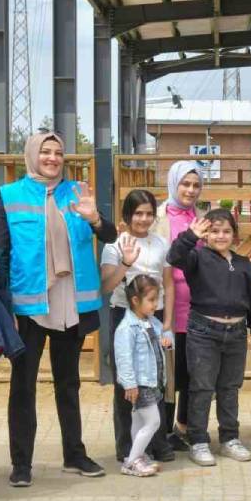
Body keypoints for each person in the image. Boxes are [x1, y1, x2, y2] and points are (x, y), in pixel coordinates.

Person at [0, 131, 117, 487]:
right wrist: (3, 310)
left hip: (71, 303)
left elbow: (109, 234)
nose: (52, 158)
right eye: (45, 151)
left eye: (58, 152)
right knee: (23, 386)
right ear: (32, 155)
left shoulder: (78, 191)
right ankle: (21, 464)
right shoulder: (10, 195)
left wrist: (94, 218)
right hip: (28, 307)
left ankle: (74, 454)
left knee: (69, 383)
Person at [167, 209, 251, 466]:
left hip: (235, 334)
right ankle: (198, 440)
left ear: (234, 235)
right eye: (214, 231)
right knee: (201, 387)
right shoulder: (196, 258)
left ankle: (229, 438)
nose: (220, 236)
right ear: (206, 234)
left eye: (226, 231)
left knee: (229, 388)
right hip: (203, 332)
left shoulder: (245, 264)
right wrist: (191, 235)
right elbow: (173, 256)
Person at [102, 189, 175, 464]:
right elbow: (106, 285)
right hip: (125, 316)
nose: (143, 219)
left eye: (148, 213)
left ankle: (158, 442)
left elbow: (168, 284)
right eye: (137, 213)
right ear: (127, 215)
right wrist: (125, 264)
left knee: (155, 376)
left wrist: (166, 324)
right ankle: (126, 446)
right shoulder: (115, 244)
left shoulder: (161, 244)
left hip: (153, 317)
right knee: (127, 380)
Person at [162, 161, 204, 451]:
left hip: (197, 309)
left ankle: (185, 426)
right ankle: (163, 431)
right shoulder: (158, 216)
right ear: (174, 184)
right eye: (185, 184)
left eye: (196, 185)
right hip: (166, 308)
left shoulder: (202, 218)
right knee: (167, 374)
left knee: (192, 373)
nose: (190, 190)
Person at [114, 275, 174, 478]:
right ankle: (131, 462)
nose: (155, 305)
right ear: (135, 301)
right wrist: (129, 384)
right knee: (153, 422)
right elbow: (123, 359)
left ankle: (136, 456)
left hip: (153, 382)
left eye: (156, 300)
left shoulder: (151, 321)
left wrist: (168, 340)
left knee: (139, 423)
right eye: (151, 300)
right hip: (140, 384)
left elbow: (165, 333)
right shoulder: (126, 329)